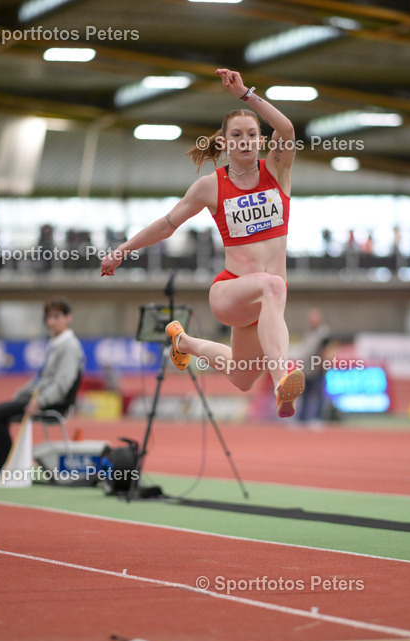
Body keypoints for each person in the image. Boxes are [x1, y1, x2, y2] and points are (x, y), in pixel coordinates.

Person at [100, 68, 305, 418]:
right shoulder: (212, 186)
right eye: (236, 135)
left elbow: (285, 129)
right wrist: (123, 250)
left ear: (261, 141)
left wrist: (245, 94)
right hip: (231, 292)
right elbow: (168, 224)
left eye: (252, 134)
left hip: (264, 306)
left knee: (241, 377)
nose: (245, 140)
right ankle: (281, 378)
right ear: (223, 143)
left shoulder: (278, 170)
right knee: (274, 285)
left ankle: (183, 342)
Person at [0, 297, 84, 480]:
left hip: (53, 404)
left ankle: (5, 468)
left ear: (68, 317)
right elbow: (41, 379)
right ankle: (4, 467)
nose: (51, 322)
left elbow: (63, 383)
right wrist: (20, 395)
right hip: (39, 399)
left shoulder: (69, 346)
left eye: (57, 317)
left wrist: (39, 401)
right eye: (49, 317)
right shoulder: (55, 344)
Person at [296, 308, 331, 425]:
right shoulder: (308, 333)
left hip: (317, 369)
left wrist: (320, 365)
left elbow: (325, 350)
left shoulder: (323, 333)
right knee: (304, 394)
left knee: (318, 394)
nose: (311, 322)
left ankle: (317, 419)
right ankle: (302, 419)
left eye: (314, 320)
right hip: (306, 369)